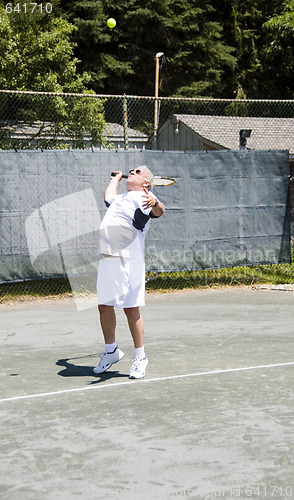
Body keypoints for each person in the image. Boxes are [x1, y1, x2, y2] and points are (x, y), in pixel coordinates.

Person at [93, 166, 165, 379]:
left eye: (137, 171)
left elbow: (158, 211)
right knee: (104, 306)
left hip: (129, 260)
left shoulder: (145, 197)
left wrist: (156, 203)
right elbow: (108, 198)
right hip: (108, 257)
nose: (132, 171)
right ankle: (111, 351)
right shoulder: (122, 198)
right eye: (131, 170)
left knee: (131, 309)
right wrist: (115, 178)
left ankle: (140, 357)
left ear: (146, 183)